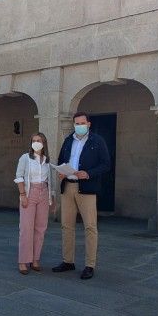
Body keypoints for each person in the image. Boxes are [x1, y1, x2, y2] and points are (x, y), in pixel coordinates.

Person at [53, 112, 111, 280]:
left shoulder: (97, 141)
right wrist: (61, 172)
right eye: (77, 123)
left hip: (86, 188)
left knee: (90, 227)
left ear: (88, 124)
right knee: (66, 225)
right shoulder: (68, 140)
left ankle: (89, 265)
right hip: (68, 187)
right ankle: (68, 261)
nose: (79, 125)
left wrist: (88, 174)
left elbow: (106, 164)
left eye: (82, 123)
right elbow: (61, 160)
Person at [14, 132, 57, 275]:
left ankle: (35, 259)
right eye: (34, 140)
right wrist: (22, 195)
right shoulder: (25, 158)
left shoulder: (46, 160)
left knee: (41, 227)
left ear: (44, 143)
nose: (36, 142)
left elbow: (49, 181)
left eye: (39, 140)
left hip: (43, 193)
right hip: (29, 192)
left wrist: (52, 199)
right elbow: (19, 176)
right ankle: (23, 261)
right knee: (26, 227)